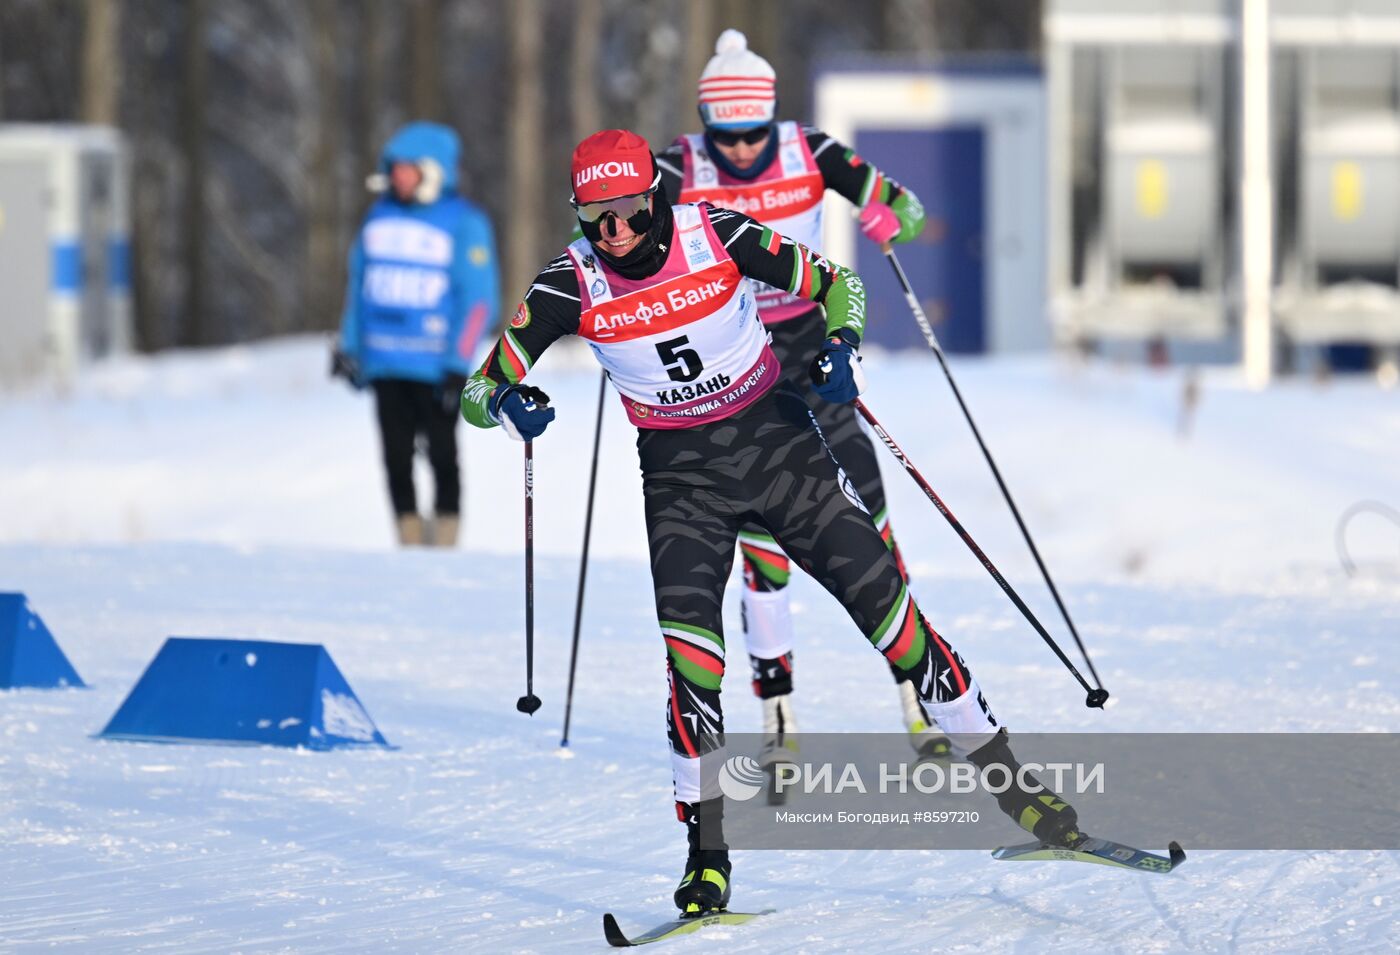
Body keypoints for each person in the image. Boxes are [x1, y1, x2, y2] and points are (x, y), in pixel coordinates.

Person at [460, 129, 1081, 916]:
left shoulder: (713, 230)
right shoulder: (568, 284)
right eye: (595, 217)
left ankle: (1016, 789)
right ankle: (706, 855)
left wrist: (842, 345)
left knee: (893, 620)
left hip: (783, 450)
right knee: (692, 669)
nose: (614, 233)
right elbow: (477, 394)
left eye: (627, 212)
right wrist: (511, 400)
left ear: (655, 195)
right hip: (682, 483)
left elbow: (839, 285)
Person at [656, 30, 939, 763]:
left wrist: (885, 219)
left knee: (868, 510)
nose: (743, 151)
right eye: (728, 135)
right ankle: (779, 716)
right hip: (735, 360)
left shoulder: (809, 150)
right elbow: (605, 243)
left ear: (772, 119)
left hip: (812, 342)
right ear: (705, 121)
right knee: (764, 534)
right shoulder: (675, 167)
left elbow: (904, 207)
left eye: (754, 133)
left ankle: (920, 696)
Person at [334, 121, 499, 547]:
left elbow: (478, 300)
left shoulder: (464, 223)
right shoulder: (377, 217)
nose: (398, 177)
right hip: (386, 363)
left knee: (443, 455)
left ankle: (445, 537)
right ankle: (407, 536)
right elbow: (359, 287)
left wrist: (456, 364)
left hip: (436, 367)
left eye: (408, 169)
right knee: (395, 456)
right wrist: (349, 347)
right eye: (394, 169)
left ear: (434, 171)